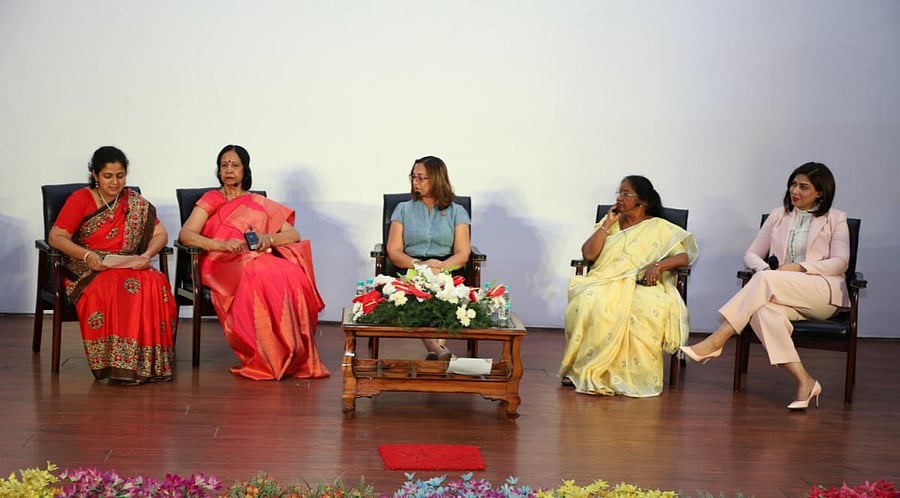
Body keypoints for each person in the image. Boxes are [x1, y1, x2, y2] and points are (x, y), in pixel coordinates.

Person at [681, 162, 849, 410]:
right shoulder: (778, 215)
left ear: (820, 192)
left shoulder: (836, 219)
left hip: (821, 293)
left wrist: (798, 268)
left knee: (766, 281)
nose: (796, 191)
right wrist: (766, 272)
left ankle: (717, 340)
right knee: (763, 312)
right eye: (793, 184)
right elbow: (751, 254)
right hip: (781, 289)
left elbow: (840, 262)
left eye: (804, 187)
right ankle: (806, 381)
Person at [178, 144, 329, 381]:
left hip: (254, 257)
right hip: (220, 262)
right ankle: (268, 355)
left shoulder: (257, 202)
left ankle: (294, 354)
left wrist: (266, 238)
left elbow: (293, 235)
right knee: (259, 272)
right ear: (218, 170)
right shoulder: (211, 198)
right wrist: (219, 244)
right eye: (224, 165)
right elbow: (186, 235)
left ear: (245, 170)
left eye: (235, 165)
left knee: (292, 273)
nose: (228, 170)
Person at [559, 175, 699, 397]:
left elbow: (683, 257)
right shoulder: (610, 224)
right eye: (619, 193)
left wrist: (658, 265)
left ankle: (628, 376)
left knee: (643, 308)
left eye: (626, 194)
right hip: (605, 280)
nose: (619, 198)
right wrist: (607, 224)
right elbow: (588, 254)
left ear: (642, 201)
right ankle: (579, 369)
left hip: (644, 284)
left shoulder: (660, 227)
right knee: (588, 301)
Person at [48, 146, 176, 384]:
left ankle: (149, 364)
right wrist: (87, 256)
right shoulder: (81, 199)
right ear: (95, 175)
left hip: (127, 263)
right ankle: (117, 364)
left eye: (120, 176)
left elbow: (161, 234)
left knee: (154, 281)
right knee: (117, 284)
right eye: (108, 176)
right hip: (88, 267)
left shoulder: (134, 201)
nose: (115, 182)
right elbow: (56, 237)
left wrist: (147, 255)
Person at [386, 155, 471, 360]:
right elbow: (394, 250)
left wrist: (440, 267)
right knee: (419, 298)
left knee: (444, 296)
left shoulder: (456, 211)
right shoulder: (403, 209)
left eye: (421, 177)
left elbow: (463, 252)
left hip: (447, 267)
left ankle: (437, 351)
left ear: (437, 179)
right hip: (412, 266)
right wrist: (421, 266)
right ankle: (439, 351)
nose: (415, 181)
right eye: (413, 177)